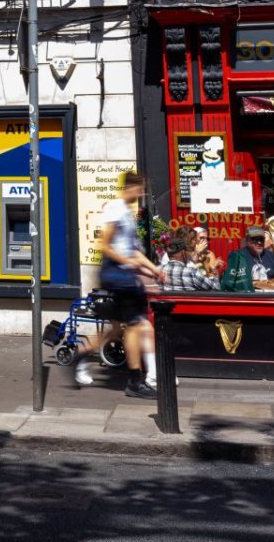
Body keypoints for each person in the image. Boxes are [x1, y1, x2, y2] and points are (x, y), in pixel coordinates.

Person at [75, 170, 164, 398]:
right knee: (136, 325)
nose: (141, 193)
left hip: (121, 274)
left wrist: (153, 269)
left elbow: (133, 249)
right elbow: (105, 245)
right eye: (140, 188)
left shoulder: (126, 212)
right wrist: (128, 263)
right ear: (130, 187)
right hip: (118, 275)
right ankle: (136, 380)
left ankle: (82, 354)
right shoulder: (115, 209)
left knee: (116, 328)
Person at [221, 225, 274, 292]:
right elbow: (230, 284)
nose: (259, 242)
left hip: (271, 298)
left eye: (261, 239)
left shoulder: (273, 257)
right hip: (247, 298)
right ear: (247, 241)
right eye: (255, 239)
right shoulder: (237, 257)